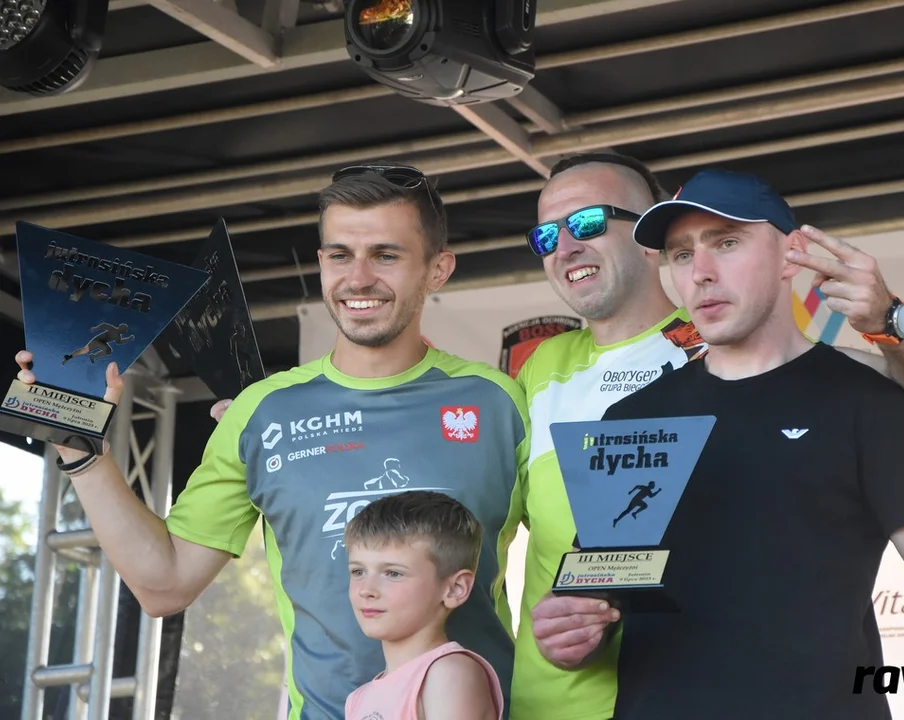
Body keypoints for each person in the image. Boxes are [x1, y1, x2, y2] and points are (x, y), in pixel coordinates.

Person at [15, 163, 530, 720]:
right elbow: (164, 585)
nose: (358, 278)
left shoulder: (498, 401)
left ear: (437, 269)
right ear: (321, 262)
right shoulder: (262, 411)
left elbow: (566, 558)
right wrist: (80, 447)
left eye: (386, 255)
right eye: (340, 255)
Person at [510, 153, 904, 720]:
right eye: (545, 235)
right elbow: (591, 577)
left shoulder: (770, 351)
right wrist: (569, 627)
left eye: (586, 222)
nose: (565, 246)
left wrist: (889, 320)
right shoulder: (560, 378)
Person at [343, 490, 503, 720]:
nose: (366, 590)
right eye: (358, 571)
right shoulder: (357, 699)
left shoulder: (448, 674)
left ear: (455, 588)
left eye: (393, 573)